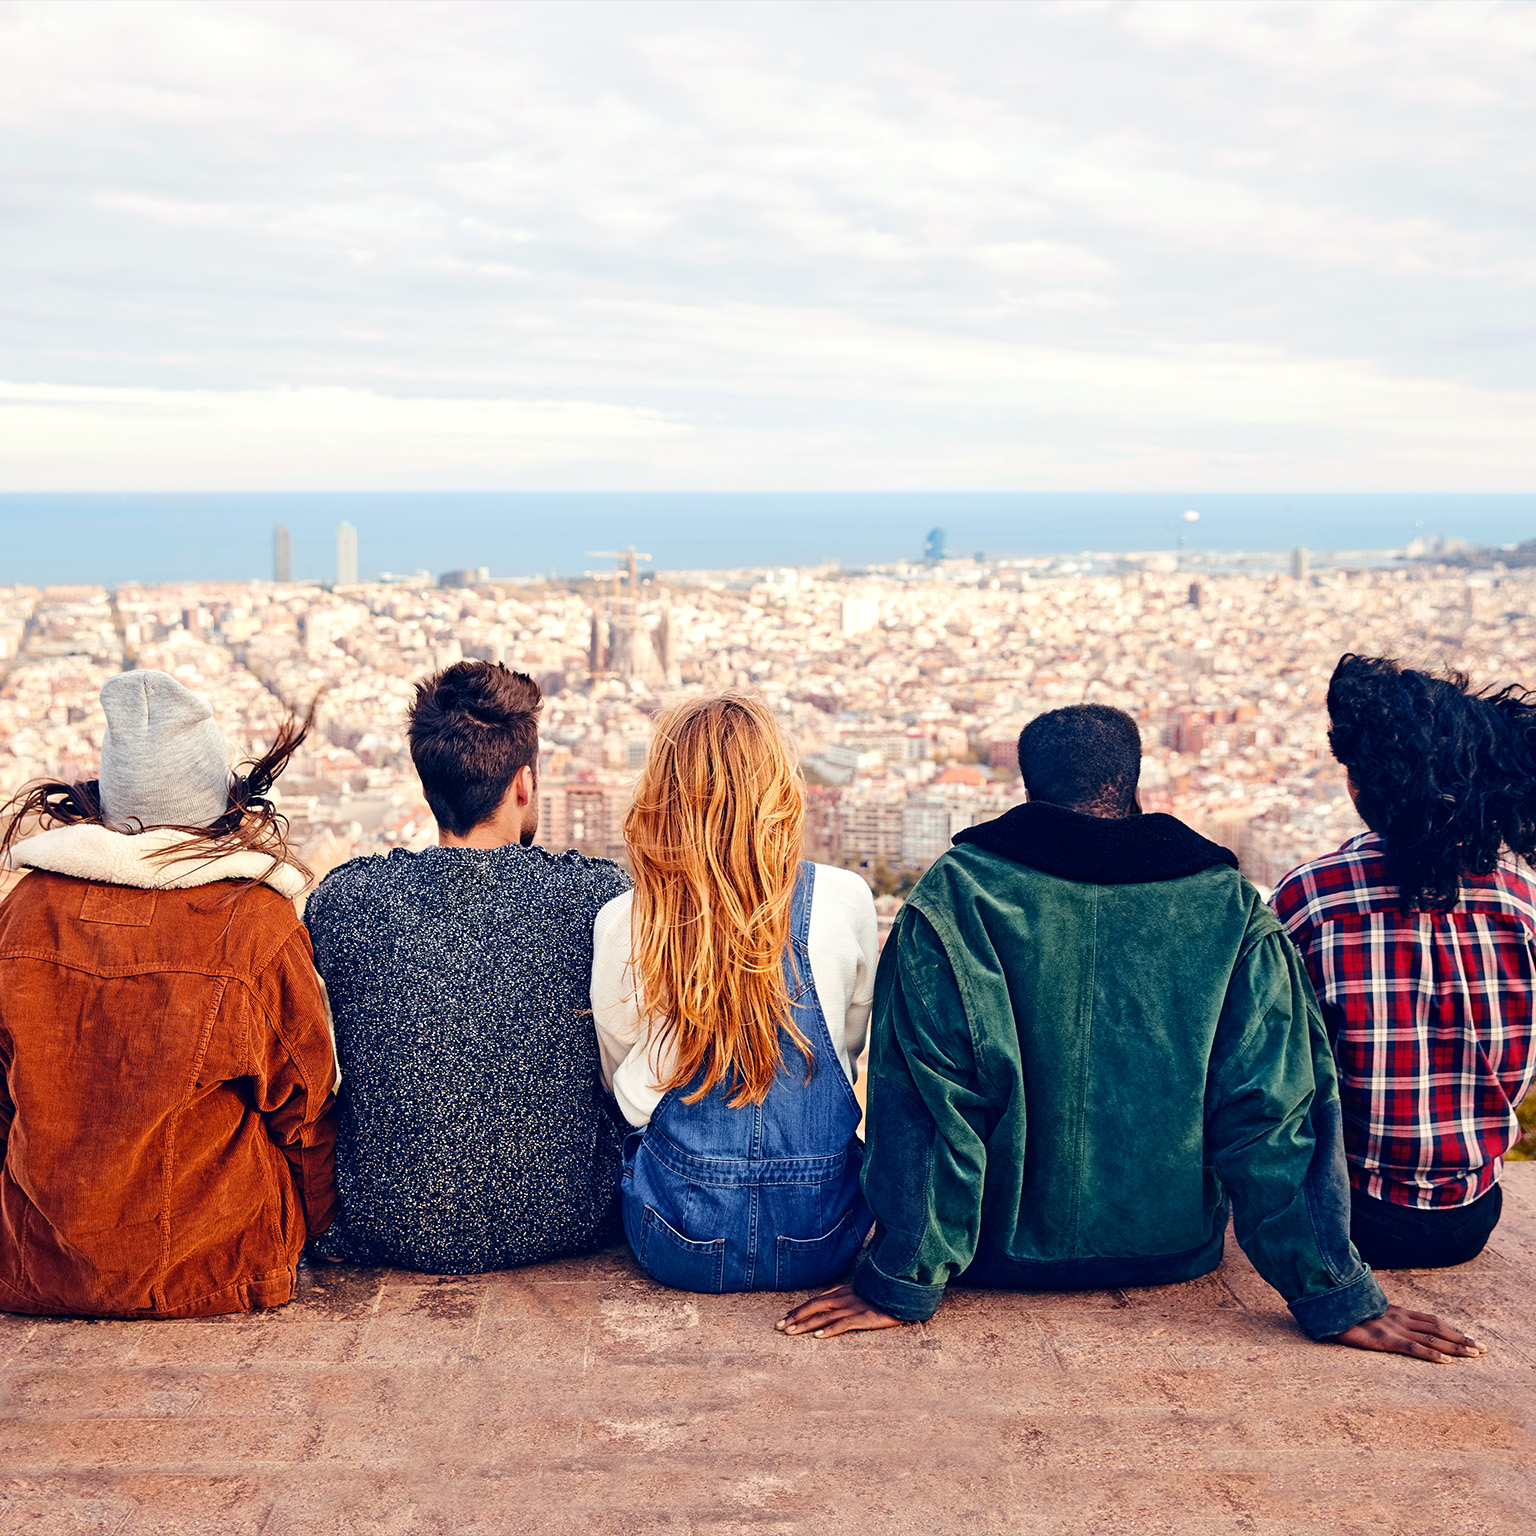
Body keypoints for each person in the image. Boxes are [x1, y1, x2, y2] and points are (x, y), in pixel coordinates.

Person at [781, 703, 1481, 1364]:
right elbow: (1272, 1112)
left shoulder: (957, 898)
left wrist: (902, 1280)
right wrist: (1333, 1293)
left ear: (1029, 788)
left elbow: (933, 1105)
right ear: (1133, 781)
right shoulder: (1228, 906)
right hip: (1173, 1251)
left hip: (996, 1255)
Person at [0, 670, 336, 1318]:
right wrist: (317, 1228)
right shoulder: (254, 923)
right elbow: (306, 1110)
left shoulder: (24, 913)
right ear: (216, 805)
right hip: (214, 1267)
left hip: (37, 1266)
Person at [305, 661, 628, 1275]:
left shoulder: (345, 902)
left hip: (387, 1220)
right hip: (568, 1215)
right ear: (524, 784)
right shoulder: (597, 900)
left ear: (428, 789)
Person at [591, 693, 877, 1294]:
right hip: (824, 1236)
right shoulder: (845, 899)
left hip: (674, 1238)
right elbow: (847, 1049)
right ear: (780, 790)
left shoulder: (628, 917)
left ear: (663, 799)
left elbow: (621, 1072)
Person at [1273, 655, 1536, 1270]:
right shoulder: (1519, 901)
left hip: (1351, 1207)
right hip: (1472, 1213)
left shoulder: (1314, 896)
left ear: (1362, 787)